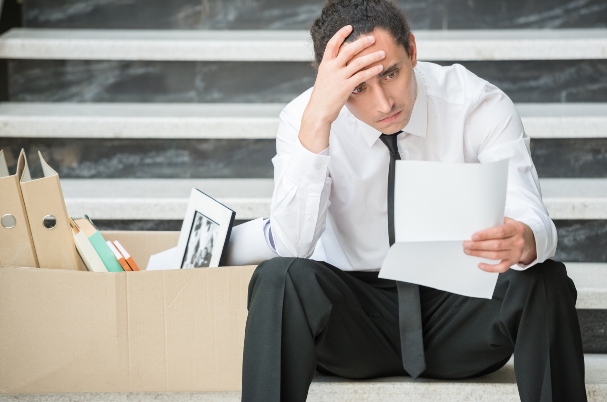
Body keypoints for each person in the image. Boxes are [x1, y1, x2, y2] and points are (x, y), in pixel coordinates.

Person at [241, 1, 587, 401]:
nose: (384, 103)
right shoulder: (304, 118)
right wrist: (319, 120)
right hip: (355, 319)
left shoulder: (476, 104)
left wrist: (524, 237)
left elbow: (529, 210)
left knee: (544, 279)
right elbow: (291, 245)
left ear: (413, 51)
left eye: (391, 73)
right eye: (357, 88)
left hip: (459, 312)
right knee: (279, 278)